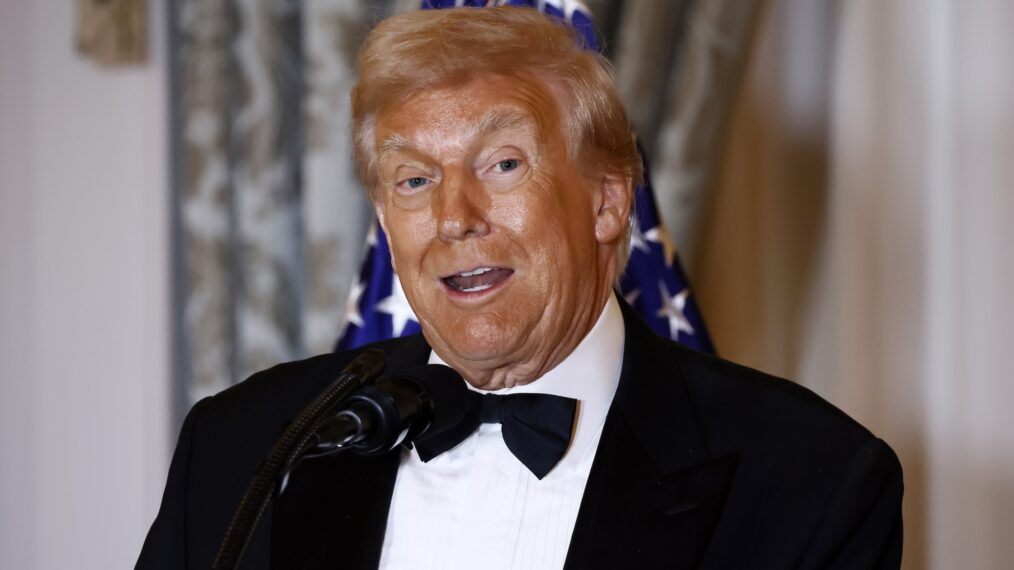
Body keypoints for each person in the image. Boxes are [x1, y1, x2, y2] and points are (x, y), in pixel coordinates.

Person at [137, 7, 903, 569]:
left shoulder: (811, 478)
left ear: (608, 201)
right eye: (413, 179)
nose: (453, 219)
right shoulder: (244, 448)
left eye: (502, 165)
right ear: (383, 220)